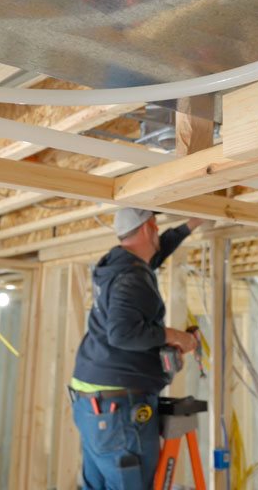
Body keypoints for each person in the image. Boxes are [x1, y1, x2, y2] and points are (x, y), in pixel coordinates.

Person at [69, 207, 206, 489]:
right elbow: (122, 334)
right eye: (156, 226)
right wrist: (174, 335)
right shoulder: (132, 278)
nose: (158, 232)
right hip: (120, 410)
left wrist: (190, 225)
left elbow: (154, 254)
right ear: (147, 227)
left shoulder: (117, 266)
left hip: (94, 405)